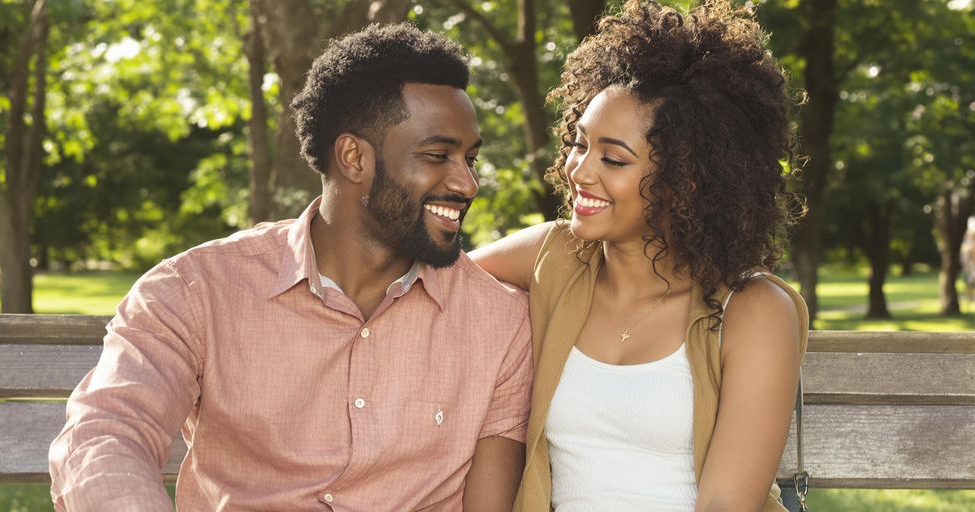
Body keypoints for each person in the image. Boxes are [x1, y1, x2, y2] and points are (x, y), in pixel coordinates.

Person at [49, 24, 533, 511]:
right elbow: (107, 434)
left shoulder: (500, 325)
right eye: (437, 155)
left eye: (470, 159)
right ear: (353, 158)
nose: (468, 184)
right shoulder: (196, 291)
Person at [470, 1, 809, 511]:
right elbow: (430, 282)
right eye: (579, 145)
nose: (580, 171)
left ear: (687, 178)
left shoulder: (753, 310)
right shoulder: (554, 255)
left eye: (613, 158)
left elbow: (726, 503)